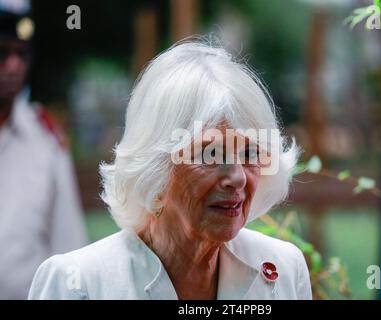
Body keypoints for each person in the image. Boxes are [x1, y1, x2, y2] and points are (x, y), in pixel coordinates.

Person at [28, 40, 312, 300]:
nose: (237, 176)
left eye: (250, 152)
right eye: (211, 154)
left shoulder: (282, 270)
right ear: (156, 168)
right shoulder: (78, 285)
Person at [0, 1, 87, 299]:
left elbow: (69, 248)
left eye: (21, 54)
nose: (13, 65)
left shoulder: (45, 141)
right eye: (2, 53)